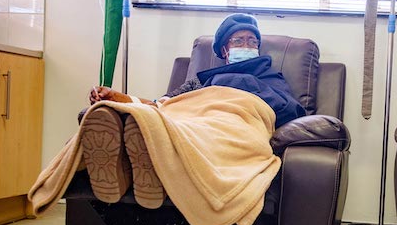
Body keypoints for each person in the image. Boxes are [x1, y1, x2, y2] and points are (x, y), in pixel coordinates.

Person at [82, 13, 305, 208]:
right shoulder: (200, 82)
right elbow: (163, 104)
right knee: (160, 118)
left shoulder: (270, 78)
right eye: (238, 40)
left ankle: (152, 160)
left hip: (235, 126)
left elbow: (290, 110)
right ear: (225, 50)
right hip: (196, 120)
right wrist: (117, 98)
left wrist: (240, 84)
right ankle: (133, 165)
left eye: (252, 41)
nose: (246, 45)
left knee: (193, 132)